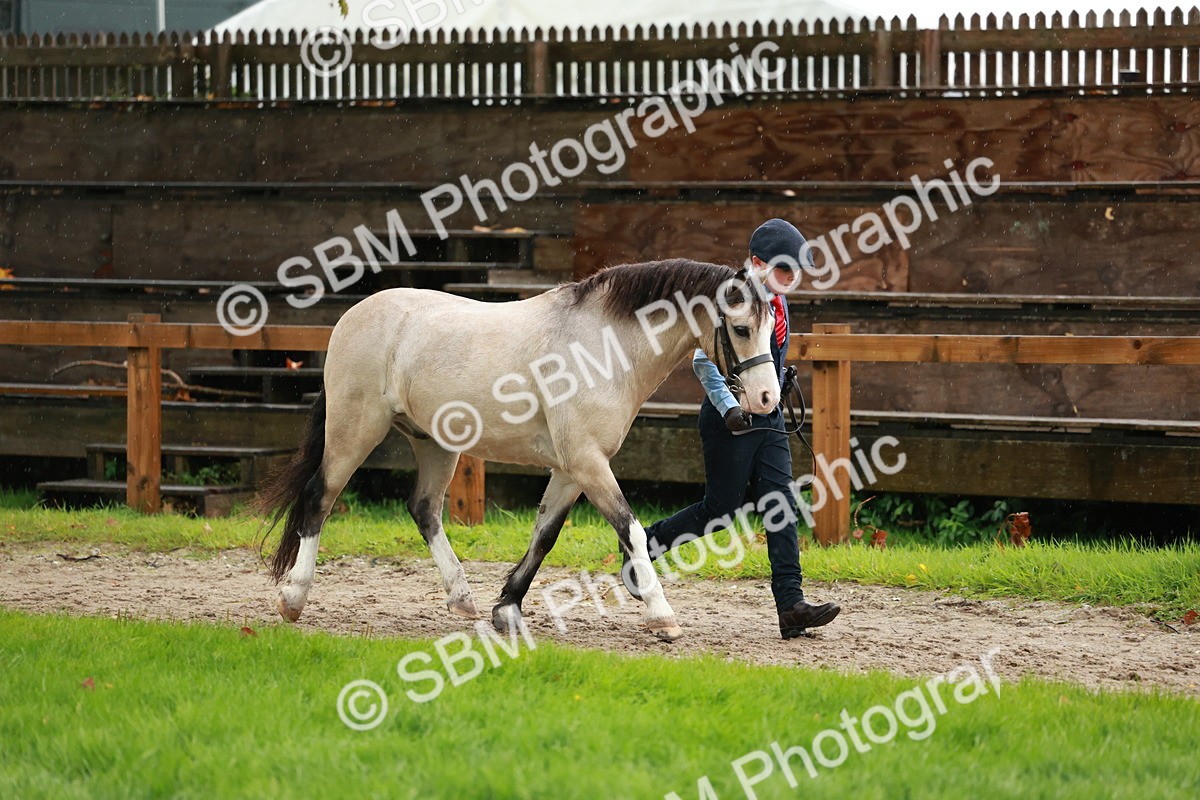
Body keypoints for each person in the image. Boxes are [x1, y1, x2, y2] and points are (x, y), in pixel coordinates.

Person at [628, 219, 842, 639]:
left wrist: (780, 379)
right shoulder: (734, 300)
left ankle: (791, 605)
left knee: (781, 504)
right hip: (730, 421)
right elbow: (703, 362)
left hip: (770, 417)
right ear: (758, 264)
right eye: (784, 270)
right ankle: (644, 547)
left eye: (796, 271)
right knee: (720, 510)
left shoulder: (777, 300)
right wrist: (728, 409)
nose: (792, 278)